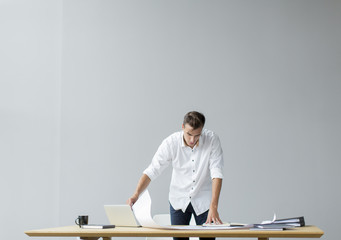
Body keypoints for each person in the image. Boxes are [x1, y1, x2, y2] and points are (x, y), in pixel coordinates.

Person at [127, 111, 224, 240]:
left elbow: (216, 172)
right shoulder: (171, 142)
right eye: (189, 134)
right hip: (178, 199)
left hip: (204, 201)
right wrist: (136, 194)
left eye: (197, 136)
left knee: (208, 238)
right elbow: (153, 170)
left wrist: (214, 206)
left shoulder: (212, 139)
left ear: (202, 130)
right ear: (182, 127)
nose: (192, 140)